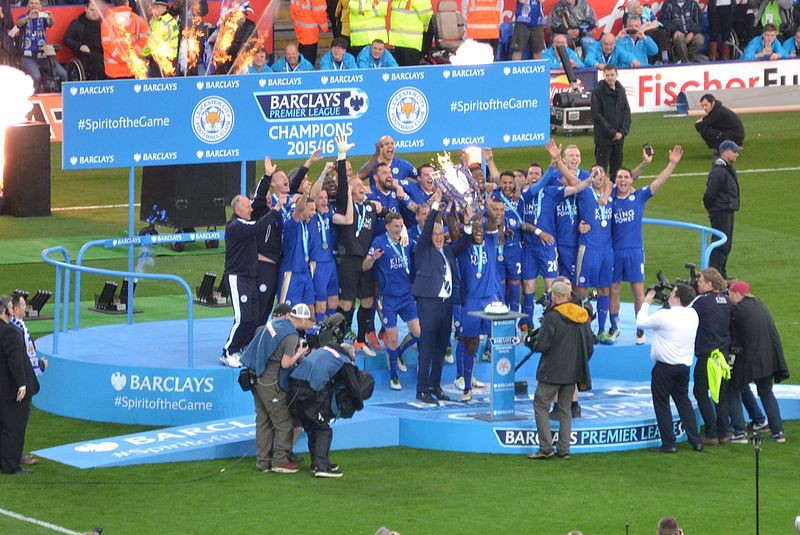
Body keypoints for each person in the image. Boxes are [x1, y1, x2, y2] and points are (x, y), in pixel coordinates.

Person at [609, 146, 683, 345]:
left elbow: (659, 181)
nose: (623, 180)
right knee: (613, 289)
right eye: (620, 178)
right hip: (614, 252)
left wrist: (672, 164)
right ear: (615, 181)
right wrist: (643, 164)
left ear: (631, 180)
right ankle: (614, 327)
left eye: (626, 177)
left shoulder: (639, 197)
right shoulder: (609, 199)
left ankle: (640, 329)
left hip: (634, 252)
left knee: (637, 290)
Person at [240, 303, 313, 474]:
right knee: (283, 423)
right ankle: (280, 461)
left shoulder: (274, 324)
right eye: (308, 320)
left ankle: (263, 462)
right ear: (302, 319)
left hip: (256, 378)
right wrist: (300, 353)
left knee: (264, 421)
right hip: (270, 382)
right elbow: (286, 363)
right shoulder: (291, 335)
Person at [529, 281, 594, 460]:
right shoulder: (582, 317)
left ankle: (546, 447)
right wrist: (578, 363)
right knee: (565, 409)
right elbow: (589, 346)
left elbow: (542, 345)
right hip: (572, 373)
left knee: (541, 405)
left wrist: (533, 344)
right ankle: (564, 449)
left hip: (551, 372)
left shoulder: (552, 317)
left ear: (555, 297)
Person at [636, 284, 703, 453]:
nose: (668, 295)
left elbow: (640, 322)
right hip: (684, 366)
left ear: (677, 297)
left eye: (672, 293)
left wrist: (646, 302)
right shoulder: (693, 314)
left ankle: (669, 443)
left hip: (665, 368)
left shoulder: (664, 316)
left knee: (662, 403)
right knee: (683, 401)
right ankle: (696, 440)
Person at [221, 195, 283, 368]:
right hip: (237, 277)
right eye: (248, 207)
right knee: (242, 318)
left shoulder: (244, 223)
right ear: (238, 210)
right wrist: (275, 209)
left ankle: (239, 347)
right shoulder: (235, 225)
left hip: (249, 278)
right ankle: (227, 351)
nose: (251, 209)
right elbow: (258, 226)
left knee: (253, 316)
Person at [412, 190, 461, 404]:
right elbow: (428, 228)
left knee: (441, 347)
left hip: (446, 304)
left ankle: (435, 385)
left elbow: (465, 242)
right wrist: (436, 204)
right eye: (436, 235)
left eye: (442, 235)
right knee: (427, 346)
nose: (439, 237)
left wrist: (467, 221)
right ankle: (422, 389)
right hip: (429, 303)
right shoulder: (423, 249)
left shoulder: (448, 251)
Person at [290, 342, 367, 477]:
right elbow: (354, 388)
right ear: (351, 357)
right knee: (322, 429)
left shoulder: (323, 350)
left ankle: (318, 462)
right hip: (311, 389)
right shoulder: (344, 361)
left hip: (295, 386)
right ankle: (321, 467)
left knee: (312, 427)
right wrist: (359, 405)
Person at [363, 213, 421, 390]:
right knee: (392, 337)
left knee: (418, 333)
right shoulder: (379, 243)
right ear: (388, 227)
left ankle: (398, 354)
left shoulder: (407, 240)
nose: (399, 229)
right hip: (387, 297)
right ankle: (394, 376)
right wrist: (373, 258)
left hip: (406, 296)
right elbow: (364, 265)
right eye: (396, 226)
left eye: (401, 226)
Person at [728, 281, 789, 443]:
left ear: (737, 294)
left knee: (733, 388)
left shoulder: (738, 310)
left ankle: (739, 432)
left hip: (750, 360)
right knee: (766, 393)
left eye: (729, 294)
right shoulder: (761, 305)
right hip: (768, 359)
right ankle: (778, 432)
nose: (728, 298)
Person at [692, 268, 736, 444]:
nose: (698, 283)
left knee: (701, 392)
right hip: (723, 356)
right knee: (721, 395)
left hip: (707, 356)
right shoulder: (726, 301)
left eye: (701, 281)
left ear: (710, 284)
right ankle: (724, 432)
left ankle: (711, 433)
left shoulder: (702, 303)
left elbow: (687, 315)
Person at [0, 295, 40, 476]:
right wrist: (22, 385)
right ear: (5, 311)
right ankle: (11, 465)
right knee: (14, 428)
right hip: (12, 390)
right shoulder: (9, 332)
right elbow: (15, 361)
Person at [10, 293, 46, 466]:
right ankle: (16, 455)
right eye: (23, 305)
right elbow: (22, 357)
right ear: (15, 309)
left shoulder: (19, 326)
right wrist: (39, 365)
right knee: (19, 421)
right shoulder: (15, 329)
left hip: (26, 379)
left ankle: (16, 453)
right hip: (22, 381)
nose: (26, 308)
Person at [703, 139, 741, 280]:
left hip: (727, 209)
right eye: (734, 151)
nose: (737, 154)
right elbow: (710, 193)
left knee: (726, 243)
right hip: (721, 211)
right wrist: (710, 206)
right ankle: (715, 277)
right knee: (721, 244)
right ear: (724, 152)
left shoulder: (725, 169)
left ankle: (721, 274)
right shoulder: (719, 171)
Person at [591, 64, 631, 184]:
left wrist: (623, 132)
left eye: (612, 75)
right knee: (600, 170)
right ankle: (598, 193)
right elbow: (597, 115)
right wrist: (612, 132)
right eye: (607, 75)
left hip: (618, 139)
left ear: (617, 75)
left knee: (617, 170)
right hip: (604, 140)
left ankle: (614, 194)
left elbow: (626, 112)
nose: (610, 78)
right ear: (603, 75)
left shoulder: (621, 90)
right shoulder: (598, 92)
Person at [15, 0, 69, 89]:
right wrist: (29, 17)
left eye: (36, 3)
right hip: (27, 56)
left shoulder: (43, 18)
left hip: (43, 56)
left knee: (63, 74)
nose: (34, 5)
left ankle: (63, 96)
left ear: (40, 7)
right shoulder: (24, 17)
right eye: (31, 3)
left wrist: (51, 17)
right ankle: (33, 98)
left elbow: (51, 23)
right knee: (36, 76)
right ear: (27, 6)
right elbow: (18, 23)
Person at [101, 0, 148, 79]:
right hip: (132, 69)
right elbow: (143, 41)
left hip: (113, 71)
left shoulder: (107, 21)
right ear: (127, 3)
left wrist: (121, 58)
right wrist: (132, 56)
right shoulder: (139, 21)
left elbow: (107, 44)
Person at [63, 0, 105, 80]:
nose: (94, 13)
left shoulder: (104, 24)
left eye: (97, 10)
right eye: (92, 10)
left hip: (103, 53)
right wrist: (79, 46)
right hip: (85, 54)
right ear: (86, 9)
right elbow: (66, 39)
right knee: (97, 60)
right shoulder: (77, 23)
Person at [141, 0, 179, 78]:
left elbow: (151, 43)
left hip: (160, 61)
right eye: (154, 7)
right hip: (172, 59)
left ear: (164, 8)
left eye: (157, 7)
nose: (154, 9)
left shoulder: (160, 23)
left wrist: (141, 55)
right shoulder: (171, 20)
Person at [388, 0, 432, 66]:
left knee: (410, 73)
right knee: (400, 73)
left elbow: (427, 15)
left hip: (411, 43)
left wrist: (425, 27)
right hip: (398, 42)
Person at [291, 0, 329, 64]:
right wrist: (324, 27)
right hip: (310, 31)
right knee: (309, 61)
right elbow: (319, 12)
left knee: (302, 58)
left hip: (301, 28)